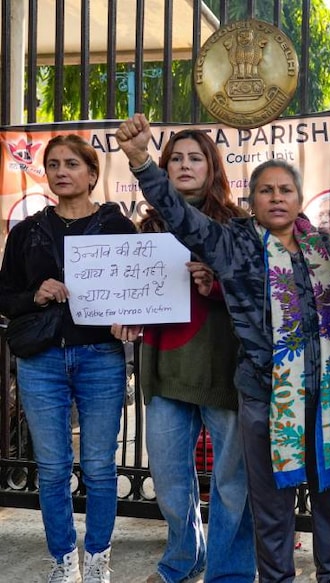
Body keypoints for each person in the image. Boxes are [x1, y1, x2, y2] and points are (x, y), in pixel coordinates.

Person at [115, 113, 330, 583]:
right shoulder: (233, 243)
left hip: (329, 391)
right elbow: (180, 216)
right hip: (264, 394)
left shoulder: (323, 250)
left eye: (285, 190)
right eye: (266, 190)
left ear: (299, 199)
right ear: (251, 200)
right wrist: (142, 164)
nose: (276, 197)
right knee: (271, 502)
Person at [0, 134, 137, 583]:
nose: (62, 171)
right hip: (41, 361)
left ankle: (97, 558)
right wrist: (35, 295)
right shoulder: (26, 232)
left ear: (92, 174)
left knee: (99, 467)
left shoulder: (118, 228)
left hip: (100, 357)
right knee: (53, 468)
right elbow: (6, 297)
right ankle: (63, 560)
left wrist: (127, 319)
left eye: (72, 164)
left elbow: (139, 292)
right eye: (54, 164)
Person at [131, 130, 256, 583]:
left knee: (231, 484)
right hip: (164, 369)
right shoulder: (146, 230)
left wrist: (216, 284)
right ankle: (184, 559)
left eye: (196, 158)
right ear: (162, 171)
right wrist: (125, 318)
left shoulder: (238, 225)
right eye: (176, 158)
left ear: (212, 167)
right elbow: (131, 297)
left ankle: (231, 572)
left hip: (223, 370)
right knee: (169, 482)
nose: (185, 165)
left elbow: (258, 292)